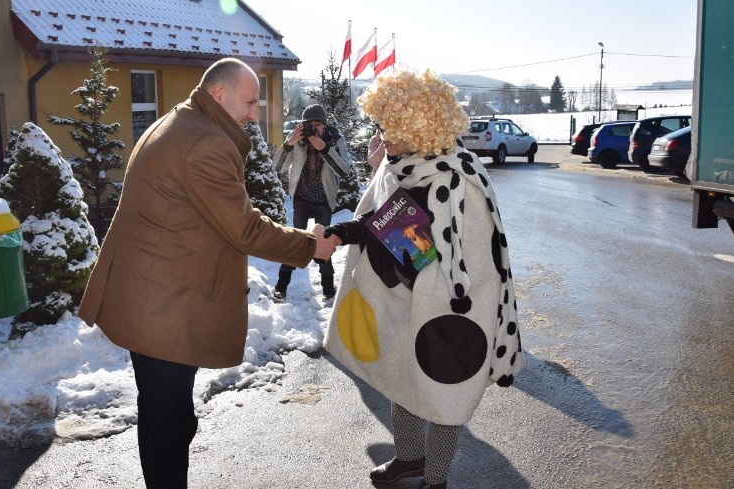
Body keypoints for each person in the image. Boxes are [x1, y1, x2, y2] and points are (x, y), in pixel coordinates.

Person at [77, 58, 338, 489]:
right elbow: (245, 227)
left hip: (152, 299)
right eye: (250, 102)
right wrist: (310, 245)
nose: (255, 115)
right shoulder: (205, 143)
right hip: (163, 309)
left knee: (167, 415)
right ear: (219, 94)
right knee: (168, 422)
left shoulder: (180, 121)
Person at [322, 69, 524, 489]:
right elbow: (381, 221)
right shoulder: (398, 164)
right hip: (401, 297)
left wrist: (413, 265)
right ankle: (409, 459)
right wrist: (346, 232)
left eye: (391, 132)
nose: (382, 141)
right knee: (402, 382)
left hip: (448, 311)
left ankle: (435, 479)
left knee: (442, 395)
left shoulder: (461, 178)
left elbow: (473, 262)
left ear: (419, 129)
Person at [271, 104, 351, 299]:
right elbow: (278, 167)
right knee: (295, 242)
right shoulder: (298, 140)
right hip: (302, 200)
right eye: (310, 124)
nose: (314, 128)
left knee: (324, 243)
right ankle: (281, 287)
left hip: (324, 201)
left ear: (324, 124)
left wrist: (325, 149)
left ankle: (329, 289)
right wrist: (289, 143)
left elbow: (344, 170)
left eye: (318, 124)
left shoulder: (335, 140)